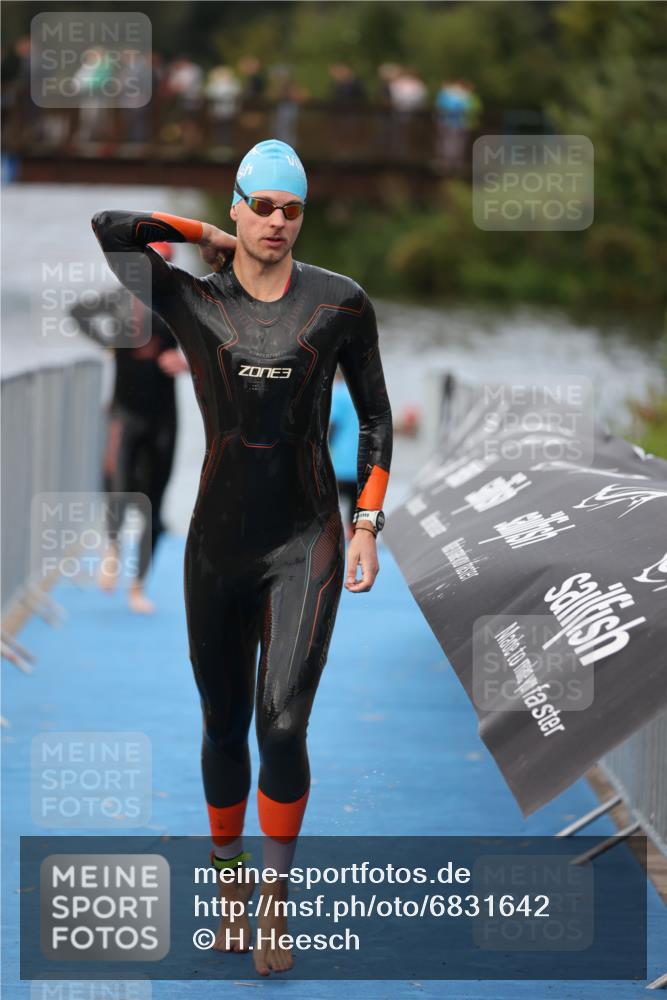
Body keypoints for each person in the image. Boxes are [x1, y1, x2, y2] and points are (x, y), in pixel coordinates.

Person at [90, 138, 393, 976]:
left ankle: (272, 905)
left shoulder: (339, 304)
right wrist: (195, 233)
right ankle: (226, 891)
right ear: (236, 206)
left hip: (308, 541)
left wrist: (366, 521)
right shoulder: (191, 299)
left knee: (283, 724)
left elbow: (374, 418)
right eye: (261, 205)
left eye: (291, 209)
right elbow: (110, 227)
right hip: (217, 548)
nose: (276, 222)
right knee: (223, 726)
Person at [69, 242, 189, 614]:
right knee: (119, 488)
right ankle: (113, 548)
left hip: (163, 417)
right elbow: (77, 312)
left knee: (155, 502)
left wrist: (187, 360)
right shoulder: (119, 299)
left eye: (164, 262)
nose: (157, 268)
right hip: (124, 412)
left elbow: (216, 342)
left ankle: (138, 586)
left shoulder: (181, 304)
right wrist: (108, 342)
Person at [329, 369, 360, 538]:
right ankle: (353, 536)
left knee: (331, 504)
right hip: (358, 462)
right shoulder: (359, 394)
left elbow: (333, 426)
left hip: (339, 462)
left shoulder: (338, 393)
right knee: (355, 505)